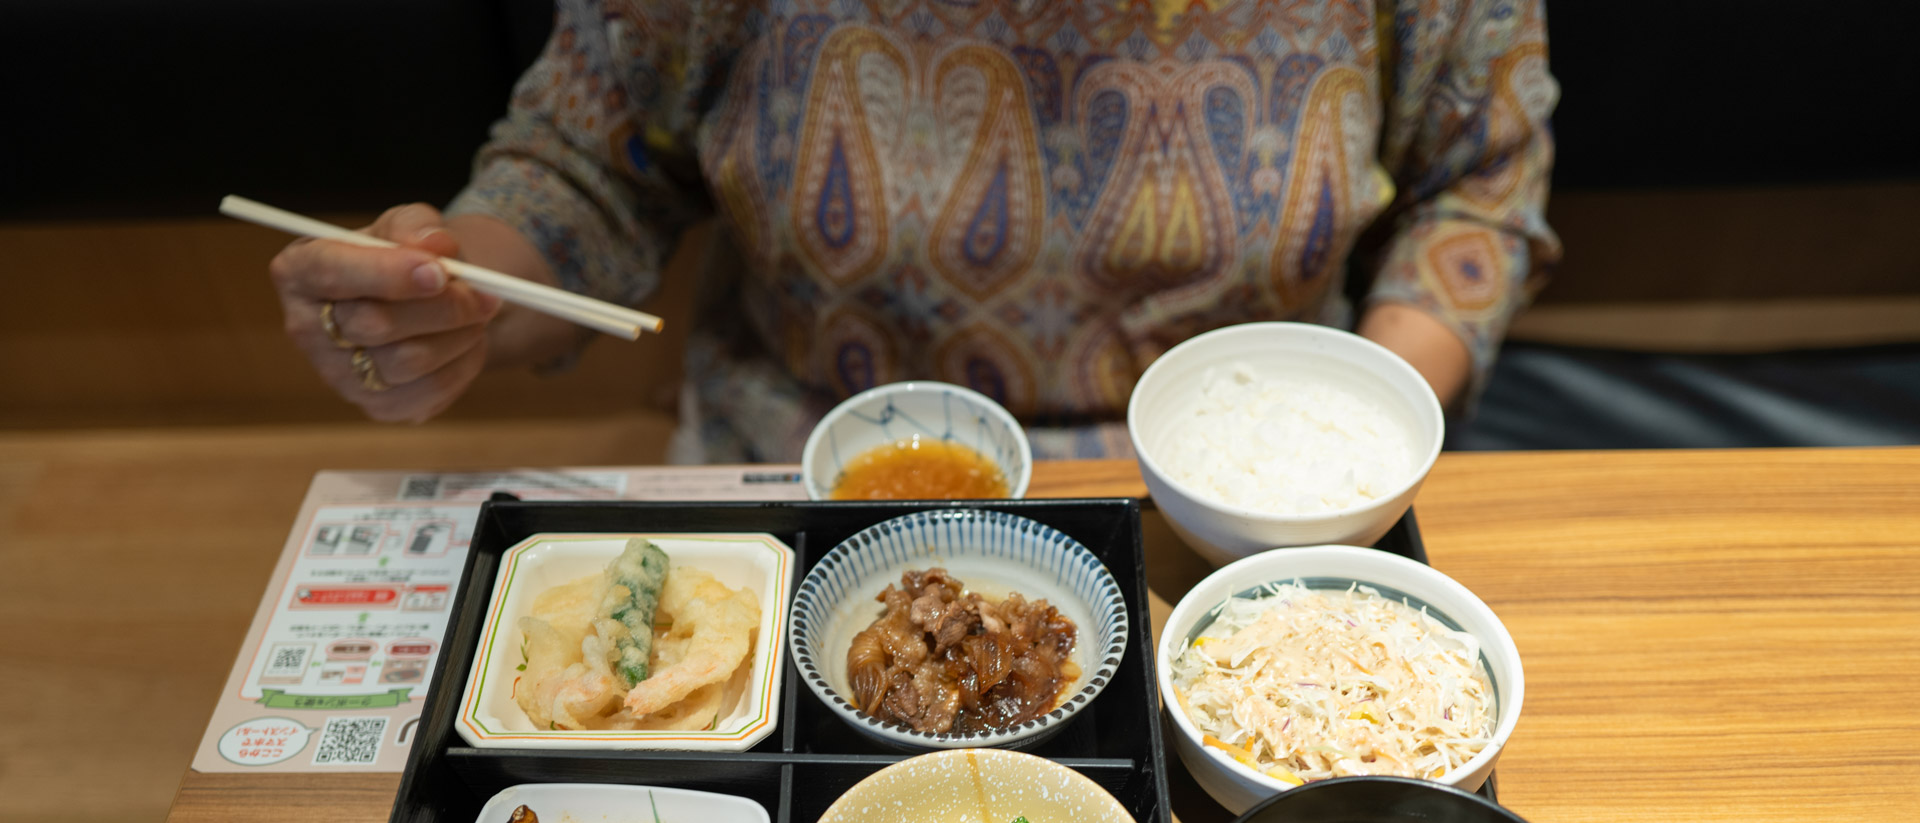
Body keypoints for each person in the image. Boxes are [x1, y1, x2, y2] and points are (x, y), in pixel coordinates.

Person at [272, 0, 1558, 461]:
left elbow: (1482, 179)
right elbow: (581, 167)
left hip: (1237, 503)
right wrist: (444, 299)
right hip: (807, 468)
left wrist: (1358, 439)